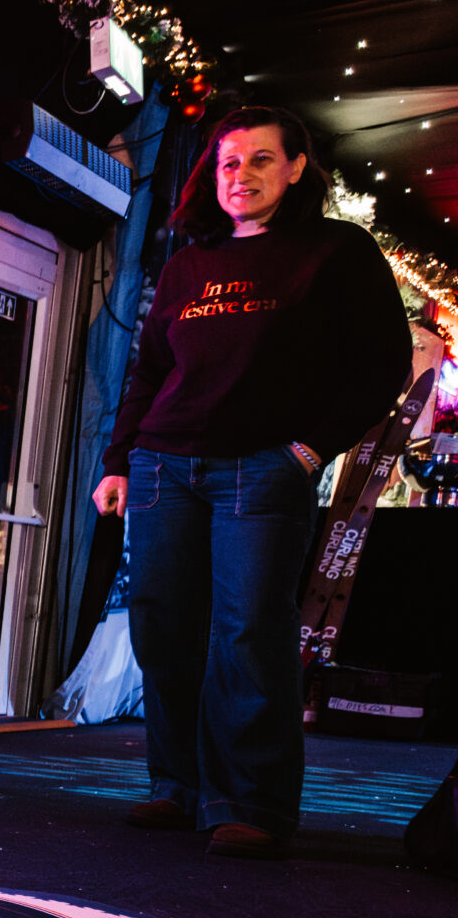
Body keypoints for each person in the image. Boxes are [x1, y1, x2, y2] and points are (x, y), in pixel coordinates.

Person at [95, 105, 409, 859]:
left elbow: (383, 366)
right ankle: (176, 786)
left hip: (262, 468)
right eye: (231, 163)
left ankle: (251, 802)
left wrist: (309, 450)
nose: (242, 176)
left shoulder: (335, 250)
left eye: (262, 160)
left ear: (297, 166)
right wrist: (117, 459)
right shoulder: (188, 261)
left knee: (247, 633)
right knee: (164, 628)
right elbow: (151, 372)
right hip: (164, 465)